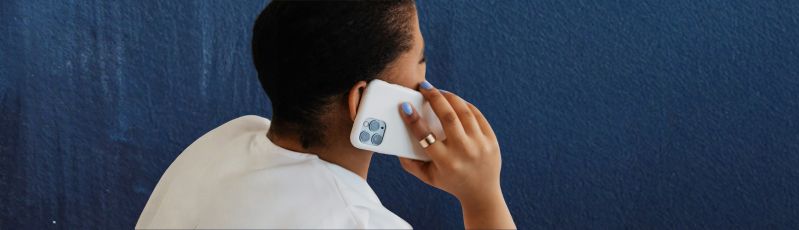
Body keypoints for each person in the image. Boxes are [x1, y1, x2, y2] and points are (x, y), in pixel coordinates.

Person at [135, 1, 515, 228]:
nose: (427, 86)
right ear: (363, 102)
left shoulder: (222, 143)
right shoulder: (358, 223)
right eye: (420, 63)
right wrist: (482, 198)